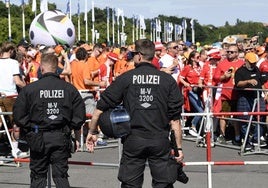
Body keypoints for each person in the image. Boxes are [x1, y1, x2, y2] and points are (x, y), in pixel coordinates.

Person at [86, 39, 184, 187]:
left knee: (130, 184)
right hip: (160, 139)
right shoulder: (167, 80)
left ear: (139, 55)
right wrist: (179, 148)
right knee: (163, 184)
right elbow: (175, 120)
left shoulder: (126, 78)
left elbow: (100, 108)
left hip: (133, 140)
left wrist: (92, 131)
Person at [13, 53, 86, 188]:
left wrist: (30, 127)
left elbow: (18, 115)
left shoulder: (30, 89)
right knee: (61, 176)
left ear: (41, 69)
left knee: (38, 177)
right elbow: (80, 114)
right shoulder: (69, 89)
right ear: (57, 69)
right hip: (61, 136)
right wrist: (72, 130)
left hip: (38, 137)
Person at [234, 52, 267, 151]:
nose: (253, 64)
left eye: (254, 62)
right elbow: (238, 83)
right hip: (245, 97)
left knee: (260, 117)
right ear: (246, 61)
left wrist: (265, 92)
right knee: (245, 119)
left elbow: (261, 82)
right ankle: (247, 141)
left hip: (257, 97)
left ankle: (256, 139)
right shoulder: (240, 71)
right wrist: (248, 81)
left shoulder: (256, 69)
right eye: (251, 62)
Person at [213, 44, 244, 145]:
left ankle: (237, 136)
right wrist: (224, 77)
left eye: (232, 52)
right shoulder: (222, 64)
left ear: (237, 53)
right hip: (225, 94)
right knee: (224, 115)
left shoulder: (242, 63)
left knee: (236, 116)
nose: (229, 54)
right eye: (228, 52)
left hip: (238, 94)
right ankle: (222, 135)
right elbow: (215, 78)